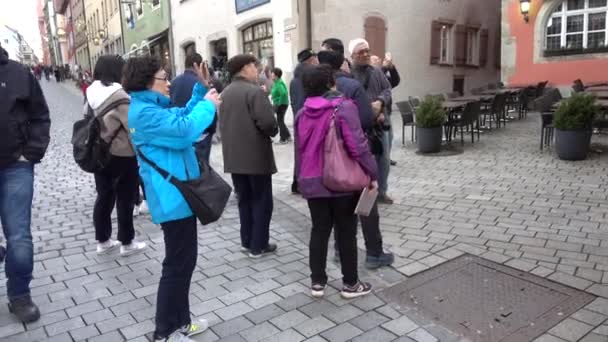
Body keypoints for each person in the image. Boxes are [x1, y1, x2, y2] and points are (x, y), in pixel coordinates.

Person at [124, 56, 220, 342]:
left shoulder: (151, 107)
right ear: (147, 82)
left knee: (184, 262)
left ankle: (182, 322)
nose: (168, 83)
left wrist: (200, 93)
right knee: (177, 265)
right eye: (163, 78)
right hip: (172, 197)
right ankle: (164, 332)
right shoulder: (143, 113)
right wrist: (208, 106)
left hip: (180, 195)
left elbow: (179, 119)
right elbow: (184, 132)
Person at [296, 64, 376, 299]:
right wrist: (372, 173)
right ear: (332, 82)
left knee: (319, 230)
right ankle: (351, 284)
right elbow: (358, 146)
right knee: (346, 232)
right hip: (341, 181)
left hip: (312, 180)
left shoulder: (302, 113)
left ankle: (317, 283)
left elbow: (299, 150)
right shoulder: (344, 107)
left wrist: (301, 180)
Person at [317, 49, 394, 270]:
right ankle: (374, 253)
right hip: (356, 153)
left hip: (330, 157)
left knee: (341, 207)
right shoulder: (351, 86)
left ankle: (340, 251)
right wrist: (375, 114)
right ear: (343, 63)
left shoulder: (313, 86)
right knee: (367, 203)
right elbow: (365, 121)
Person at [0, 43, 50, 323]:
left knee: (18, 236)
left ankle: (19, 294)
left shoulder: (18, 73)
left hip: (13, 168)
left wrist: (29, 153)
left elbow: (40, 115)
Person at [86, 55, 147, 257]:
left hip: (99, 154)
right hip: (122, 154)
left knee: (104, 196)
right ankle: (127, 242)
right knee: (125, 198)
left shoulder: (90, 93)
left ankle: (103, 241)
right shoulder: (119, 95)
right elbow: (132, 127)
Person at [220, 54, 279, 258]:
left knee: (244, 200)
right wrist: (274, 128)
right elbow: (269, 124)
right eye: (255, 67)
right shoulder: (254, 92)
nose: (258, 70)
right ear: (245, 68)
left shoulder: (225, 92)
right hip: (255, 157)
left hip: (234, 158)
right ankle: (258, 244)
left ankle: (247, 241)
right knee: (262, 201)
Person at [349, 39, 394, 205]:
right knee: (365, 160)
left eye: (367, 50)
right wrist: (368, 109)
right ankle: (366, 194)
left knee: (384, 158)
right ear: (352, 54)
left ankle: (382, 191)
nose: (365, 54)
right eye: (361, 51)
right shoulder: (350, 74)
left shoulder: (376, 71)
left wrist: (381, 102)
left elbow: (387, 89)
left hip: (381, 121)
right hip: (361, 123)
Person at [171, 53, 219, 163]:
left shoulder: (173, 82)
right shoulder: (201, 83)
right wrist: (212, 130)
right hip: (200, 131)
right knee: (201, 169)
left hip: (180, 130)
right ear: (198, 66)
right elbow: (211, 105)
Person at [289, 49, 318, 194]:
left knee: (299, 152)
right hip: (307, 120)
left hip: (298, 119)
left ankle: (297, 182)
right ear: (311, 60)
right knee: (307, 153)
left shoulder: (295, 79)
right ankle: (301, 184)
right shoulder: (309, 78)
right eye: (315, 58)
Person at [270, 67, 291, 144]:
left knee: (280, 121)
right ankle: (287, 136)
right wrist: (274, 96)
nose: (271, 75)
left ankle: (283, 139)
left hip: (281, 105)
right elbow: (278, 93)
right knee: (280, 121)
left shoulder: (279, 83)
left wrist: (279, 103)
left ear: (276, 76)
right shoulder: (277, 82)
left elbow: (283, 93)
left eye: (272, 74)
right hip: (281, 104)